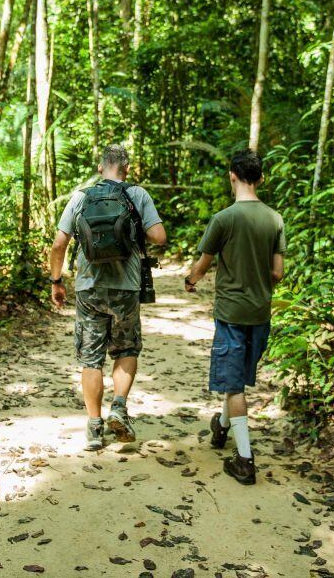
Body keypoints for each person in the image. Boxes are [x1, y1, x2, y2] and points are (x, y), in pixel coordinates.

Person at [50, 144, 166, 451]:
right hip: (126, 288)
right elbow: (159, 237)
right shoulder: (137, 195)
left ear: (101, 168)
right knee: (127, 347)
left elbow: (59, 244)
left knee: (91, 357)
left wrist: (57, 281)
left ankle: (94, 427)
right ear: (126, 169)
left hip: (89, 288)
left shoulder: (81, 197)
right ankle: (118, 406)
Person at [184, 149, 285, 484]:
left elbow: (203, 263)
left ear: (232, 176)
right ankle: (221, 426)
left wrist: (191, 280)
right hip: (260, 312)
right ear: (261, 178)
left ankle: (244, 459)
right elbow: (278, 272)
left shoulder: (224, 218)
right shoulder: (274, 219)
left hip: (230, 312)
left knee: (232, 384)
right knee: (238, 379)